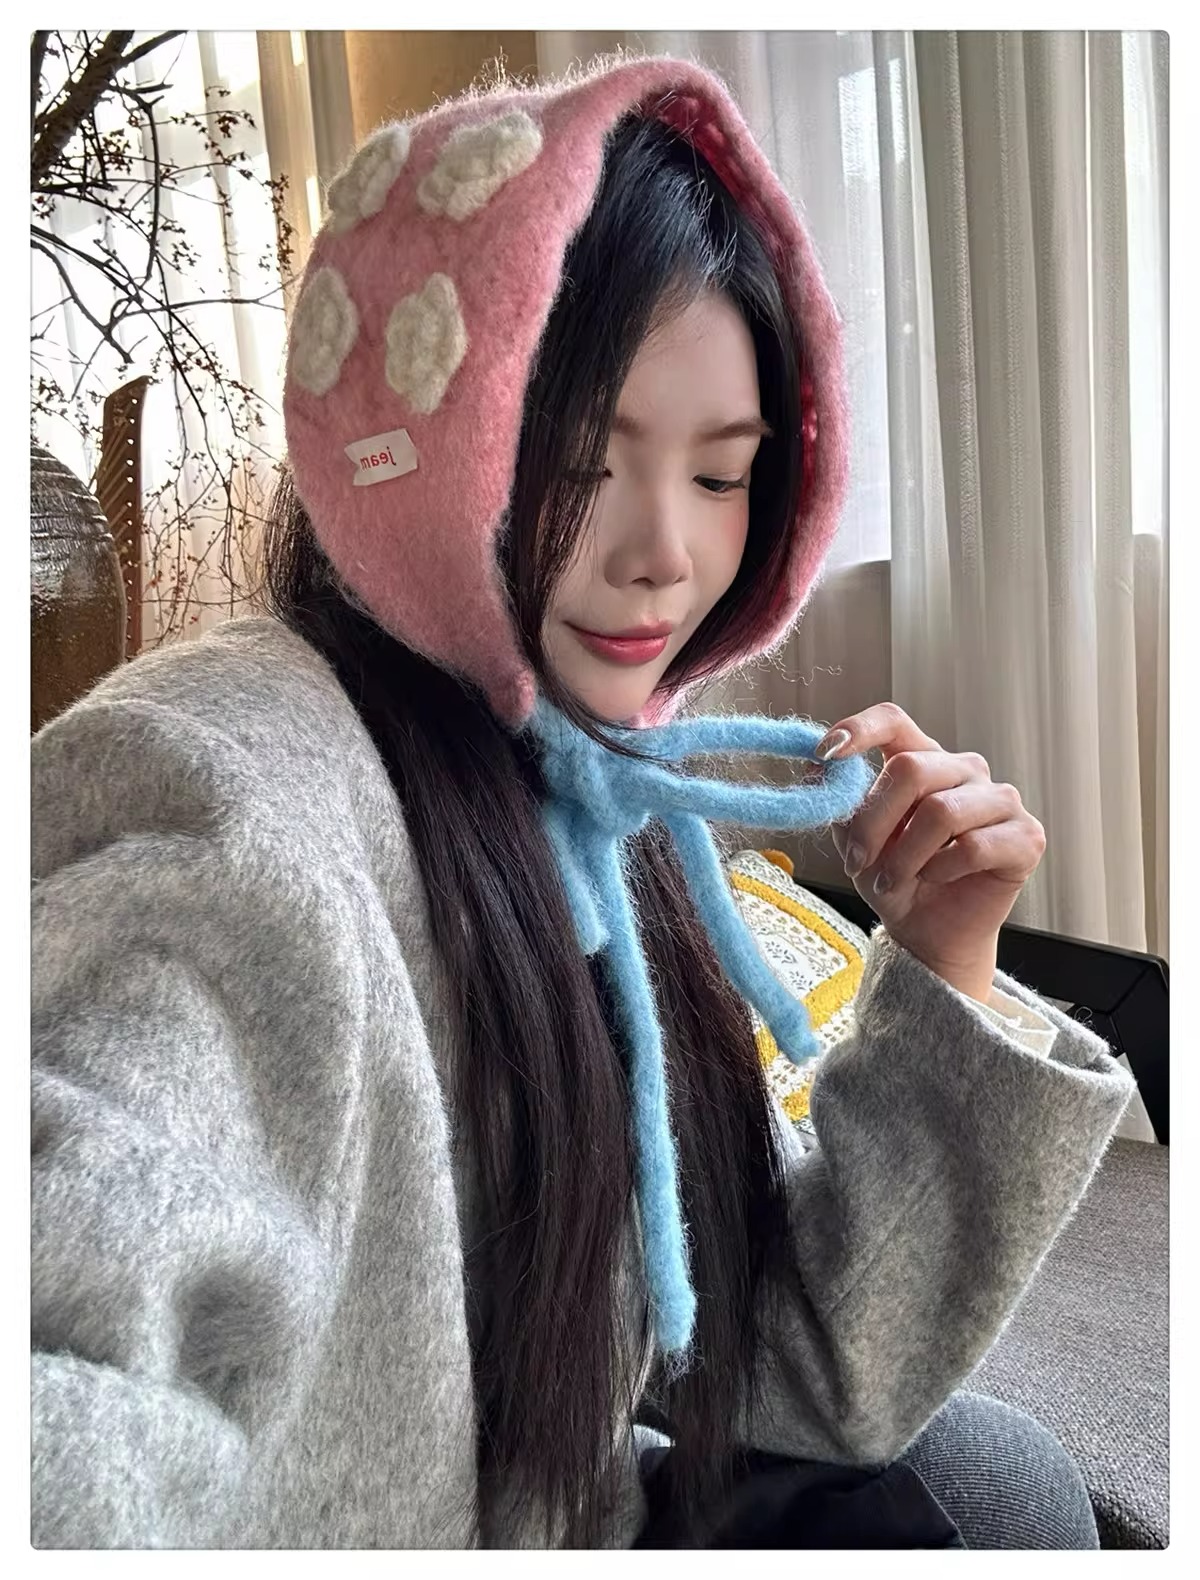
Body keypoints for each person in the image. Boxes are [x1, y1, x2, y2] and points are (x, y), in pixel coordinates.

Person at [31, 55, 1133, 1550]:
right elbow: (73, 1352)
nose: (667, 551)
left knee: (998, 1484)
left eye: (722, 476)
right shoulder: (217, 792)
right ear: (416, 450)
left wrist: (943, 961)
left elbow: (783, 1362)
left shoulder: (585, 783)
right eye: (578, 459)